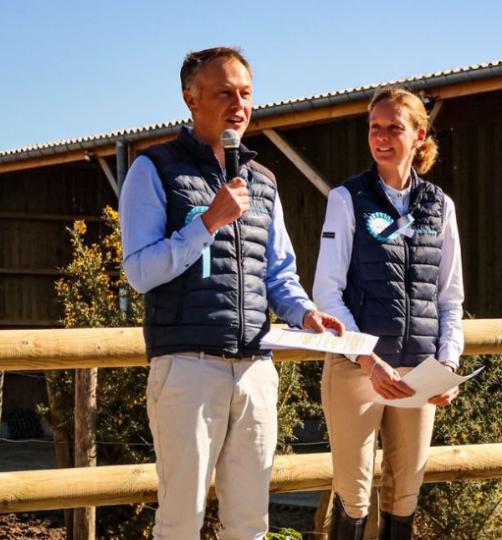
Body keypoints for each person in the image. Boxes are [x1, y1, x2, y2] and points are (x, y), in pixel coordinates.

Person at [119, 46, 344, 539]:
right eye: (224, 93)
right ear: (190, 98)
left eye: (246, 93)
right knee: (181, 521)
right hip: (187, 368)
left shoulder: (262, 180)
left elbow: (279, 271)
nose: (239, 105)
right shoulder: (153, 169)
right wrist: (207, 222)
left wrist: (306, 314)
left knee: (249, 523)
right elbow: (140, 271)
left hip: (255, 371)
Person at [312, 86, 465, 540]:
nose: (381, 137)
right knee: (354, 495)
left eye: (393, 128)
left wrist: (448, 365)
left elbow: (450, 297)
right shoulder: (346, 199)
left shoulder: (440, 206)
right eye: (374, 128)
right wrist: (366, 358)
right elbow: (327, 294)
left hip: (418, 371)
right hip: (357, 370)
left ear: (419, 136)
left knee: (404, 498)